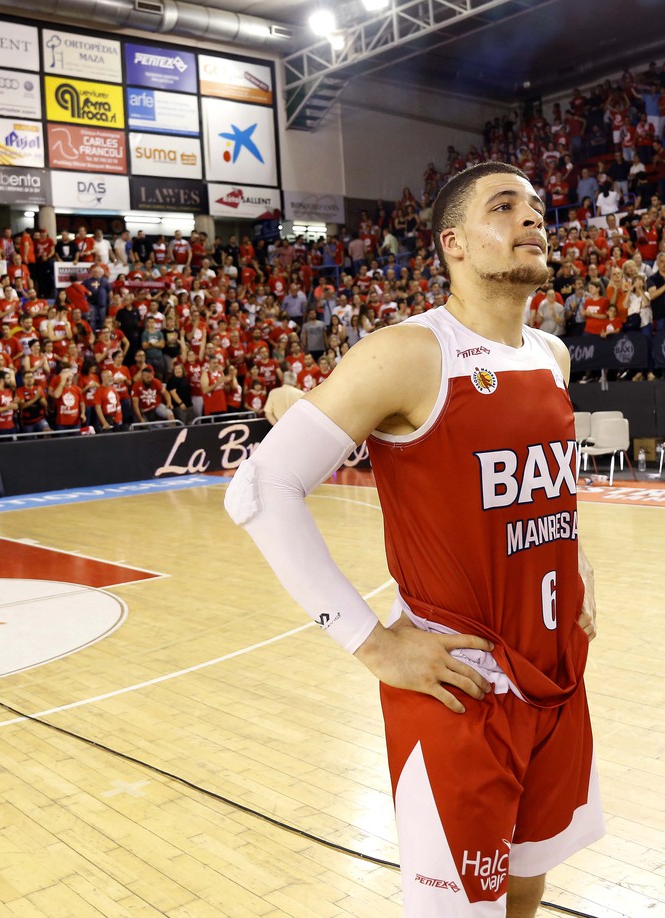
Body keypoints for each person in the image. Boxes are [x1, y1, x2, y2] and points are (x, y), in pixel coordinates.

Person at [226, 162, 601, 916]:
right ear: (454, 243)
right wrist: (370, 641)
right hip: (460, 685)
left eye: (536, 207)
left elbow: (544, 489)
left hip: (557, 674)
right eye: (506, 207)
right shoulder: (408, 353)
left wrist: (580, 565)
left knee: (527, 890)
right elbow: (261, 489)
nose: (533, 220)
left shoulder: (550, 355)